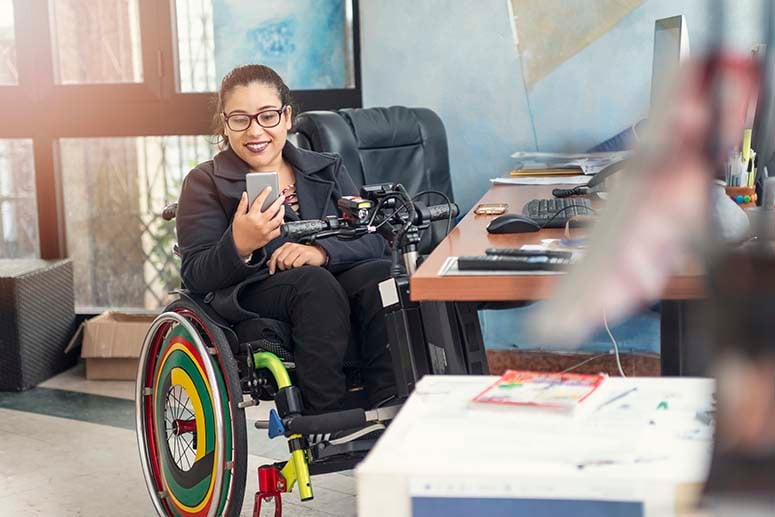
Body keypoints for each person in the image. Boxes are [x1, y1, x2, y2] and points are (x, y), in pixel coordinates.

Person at [176, 64, 397, 414]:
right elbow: (196, 274)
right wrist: (240, 244)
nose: (255, 131)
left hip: (325, 275)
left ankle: (389, 404)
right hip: (252, 290)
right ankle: (326, 414)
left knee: (380, 274)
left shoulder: (326, 167)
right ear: (224, 124)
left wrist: (321, 251)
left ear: (287, 116)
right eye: (240, 119)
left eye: (267, 116)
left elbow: (374, 238)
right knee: (312, 284)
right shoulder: (205, 182)